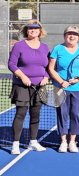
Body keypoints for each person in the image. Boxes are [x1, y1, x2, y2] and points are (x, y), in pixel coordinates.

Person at [8, 19, 49, 154]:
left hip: (39, 87)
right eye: (30, 28)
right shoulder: (19, 45)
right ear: (26, 31)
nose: (33, 30)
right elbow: (12, 64)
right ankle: (15, 144)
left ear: (40, 31)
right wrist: (23, 76)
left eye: (36, 28)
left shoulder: (45, 47)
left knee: (35, 115)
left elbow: (48, 66)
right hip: (22, 86)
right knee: (21, 114)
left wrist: (46, 77)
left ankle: (33, 142)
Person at [48, 26, 79, 153]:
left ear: (78, 36)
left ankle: (72, 141)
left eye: (74, 34)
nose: (71, 36)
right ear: (64, 35)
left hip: (78, 88)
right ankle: (63, 141)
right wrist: (61, 82)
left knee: (76, 114)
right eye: (69, 34)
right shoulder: (58, 49)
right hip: (60, 88)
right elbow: (51, 68)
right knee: (62, 114)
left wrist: (78, 79)